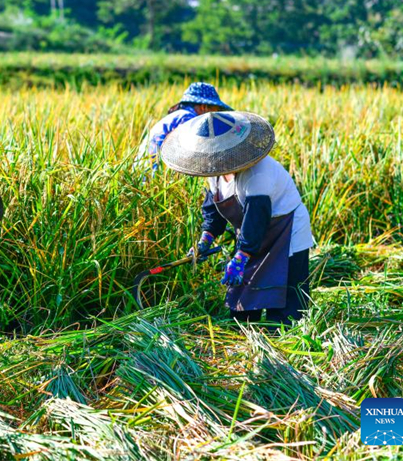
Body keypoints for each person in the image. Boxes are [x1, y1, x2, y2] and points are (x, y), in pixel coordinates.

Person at [160, 111, 315, 325]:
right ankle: (246, 336)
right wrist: (205, 240)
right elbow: (213, 211)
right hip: (253, 236)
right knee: (241, 301)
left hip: (285, 230)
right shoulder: (215, 174)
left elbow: (256, 219)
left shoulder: (257, 174)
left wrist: (241, 257)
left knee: (286, 303)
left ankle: (282, 341)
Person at [135, 82, 233, 172]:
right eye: (216, 110)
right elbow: (191, 152)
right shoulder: (187, 118)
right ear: (204, 107)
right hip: (153, 172)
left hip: (144, 169)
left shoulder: (180, 115)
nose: (216, 114)